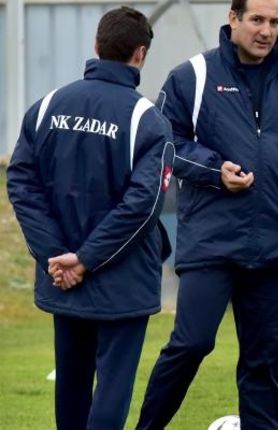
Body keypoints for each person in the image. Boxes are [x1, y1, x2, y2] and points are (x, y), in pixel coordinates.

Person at [135, 0, 278, 427]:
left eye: (274, 21)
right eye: (256, 20)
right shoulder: (192, 75)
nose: (266, 31)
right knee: (191, 344)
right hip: (213, 240)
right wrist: (213, 170)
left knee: (263, 361)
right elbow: (163, 143)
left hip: (277, 242)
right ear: (233, 19)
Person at [6, 7, 173, 430]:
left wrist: (58, 257)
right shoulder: (147, 120)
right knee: (111, 392)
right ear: (140, 54)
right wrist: (83, 259)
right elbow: (143, 205)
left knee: (73, 390)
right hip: (121, 280)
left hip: (62, 276)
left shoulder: (45, 107)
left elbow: (22, 185)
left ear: (96, 47)